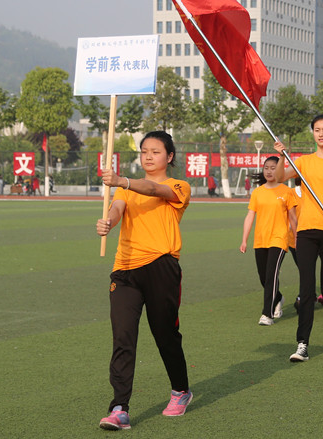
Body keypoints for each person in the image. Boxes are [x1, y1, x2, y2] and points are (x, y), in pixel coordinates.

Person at [95, 131, 192, 431]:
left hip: (161, 266)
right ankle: (119, 408)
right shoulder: (125, 189)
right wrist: (108, 222)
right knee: (123, 338)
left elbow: (153, 189)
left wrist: (121, 181)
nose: (148, 156)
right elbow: (117, 208)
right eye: (144, 151)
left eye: (156, 151)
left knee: (165, 334)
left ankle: (181, 390)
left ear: (169, 156)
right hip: (125, 270)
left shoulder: (179, 186)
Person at [274, 114, 323, 362]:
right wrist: (281, 157)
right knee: (306, 288)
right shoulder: (304, 162)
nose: (321, 134)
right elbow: (279, 177)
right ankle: (302, 344)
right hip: (306, 230)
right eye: (317, 130)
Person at [240, 156, 298, 326]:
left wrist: (297, 239)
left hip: (279, 239)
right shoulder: (257, 192)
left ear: (279, 170)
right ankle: (278, 298)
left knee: (272, 274)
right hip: (260, 239)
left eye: (273, 168)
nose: (269, 171)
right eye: (266, 168)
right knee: (264, 278)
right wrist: (244, 239)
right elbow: (250, 216)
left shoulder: (287, 192)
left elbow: (293, 218)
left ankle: (267, 314)